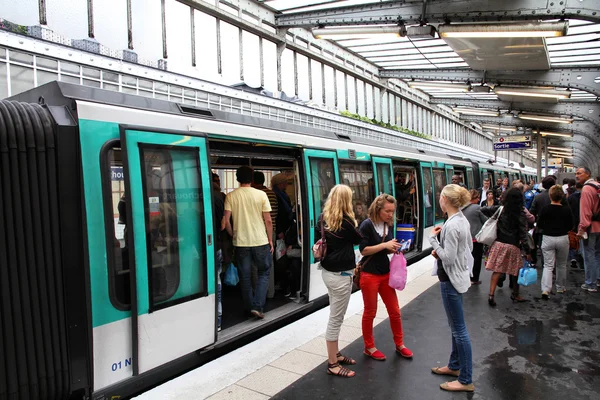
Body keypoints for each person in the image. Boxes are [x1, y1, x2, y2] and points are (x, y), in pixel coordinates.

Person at [428, 184, 474, 393]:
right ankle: (455, 366)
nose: (439, 199)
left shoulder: (452, 225)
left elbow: (448, 257)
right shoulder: (460, 220)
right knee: (456, 326)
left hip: (450, 281)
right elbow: (468, 249)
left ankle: (465, 380)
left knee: (459, 330)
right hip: (458, 277)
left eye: (440, 196)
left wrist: (433, 242)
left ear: (445, 199)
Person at [315, 184, 363, 378]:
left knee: (336, 314)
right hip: (342, 275)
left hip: (328, 272)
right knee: (336, 318)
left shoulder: (322, 218)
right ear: (346, 201)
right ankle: (333, 364)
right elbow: (359, 239)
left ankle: (335, 353)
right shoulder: (347, 222)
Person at [359, 194, 413, 361]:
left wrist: (394, 248)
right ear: (378, 209)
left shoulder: (387, 225)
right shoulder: (367, 225)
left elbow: (385, 249)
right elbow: (363, 250)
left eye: (392, 211)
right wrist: (385, 245)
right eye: (387, 211)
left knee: (395, 311)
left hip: (385, 272)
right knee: (370, 312)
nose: (390, 215)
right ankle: (369, 346)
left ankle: (400, 344)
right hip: (369, 274)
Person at [222, 166, 273, 319]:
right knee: (264, 272)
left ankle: (249, 307)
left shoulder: (231, 196)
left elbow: (226, 221)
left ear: (237, 178)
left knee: (244, 277)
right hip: (260, 241)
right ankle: (257, 306)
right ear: (252, 178)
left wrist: (233, 234)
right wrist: (270, 239)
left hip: (241, 243)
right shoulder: (261, 194)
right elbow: (268, 221)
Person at [481, 188, 532, 306]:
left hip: (499, 244)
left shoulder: (500, 209)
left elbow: (482, 209)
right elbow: (523, 235)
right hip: (513, 245)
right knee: (515, 271)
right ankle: (515, 294)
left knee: (497, 270)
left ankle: (491, 295)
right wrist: (527, 251)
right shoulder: (521, 214)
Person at [537, 185, 573, 299]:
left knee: (548, 265)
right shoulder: (566, 210)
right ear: (561, 196)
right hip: (562, 237)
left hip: (548, 237)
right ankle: (560, 287)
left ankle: (546, 289)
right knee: (562, 264)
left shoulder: (545, 209)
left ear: (550, 196)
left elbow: (539, 224)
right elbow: (571, 225)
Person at [253, 171, 278, 299]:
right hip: (271, 231)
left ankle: (259, 294)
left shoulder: (257, 195)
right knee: (269, 264)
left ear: (254, 182)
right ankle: (270, 292)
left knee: (258, 266)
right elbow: (274, 215)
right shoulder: (272, 194)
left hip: (260, 233)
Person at [576, 167, 600, 292]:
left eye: (579, 173)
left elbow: (585, 212)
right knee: (597, 254)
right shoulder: (598, 186)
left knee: (589, 255)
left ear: (588, 174)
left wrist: (581, 229)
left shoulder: (586, 189)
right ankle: (598, 279)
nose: (577, 176)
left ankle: (590, 283)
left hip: (590, 228)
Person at [462, 190, 488, 285]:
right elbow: (486, 221)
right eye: (477, 198)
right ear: (474, 198)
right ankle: (474, 278)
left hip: (465, 237)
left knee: (465, 257)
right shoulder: (478, 208)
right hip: (476, 238)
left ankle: (465, 276)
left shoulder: (462, 208)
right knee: (476, 259)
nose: (478, 199)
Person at [212, 175, 226, 331]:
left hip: (197, 248)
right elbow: (223, 224)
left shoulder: (198, 195)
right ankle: (218, 320)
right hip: (216, 245)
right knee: (217, 282)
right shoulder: (219, 197)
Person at [568, 183, 583, 269]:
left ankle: (573, 257)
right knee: (582, 241)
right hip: (583, 222)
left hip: (573, 222)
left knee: (572, 240)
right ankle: (581, 260)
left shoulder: (571, 197)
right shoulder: (585, 196)